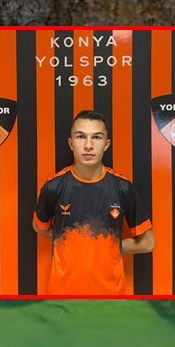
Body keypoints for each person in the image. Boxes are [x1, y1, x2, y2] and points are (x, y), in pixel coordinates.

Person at [32, 110, 154, 295]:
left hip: (111, 299)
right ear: (71, 143)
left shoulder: (123, 187)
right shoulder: (53, 187)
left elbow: (147, 243)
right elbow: (39, 226)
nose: (88, 145)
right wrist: (73, 240)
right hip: (62, 298)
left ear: (106, 144)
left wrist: (106, 245)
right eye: (81, 137)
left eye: (96, 137)